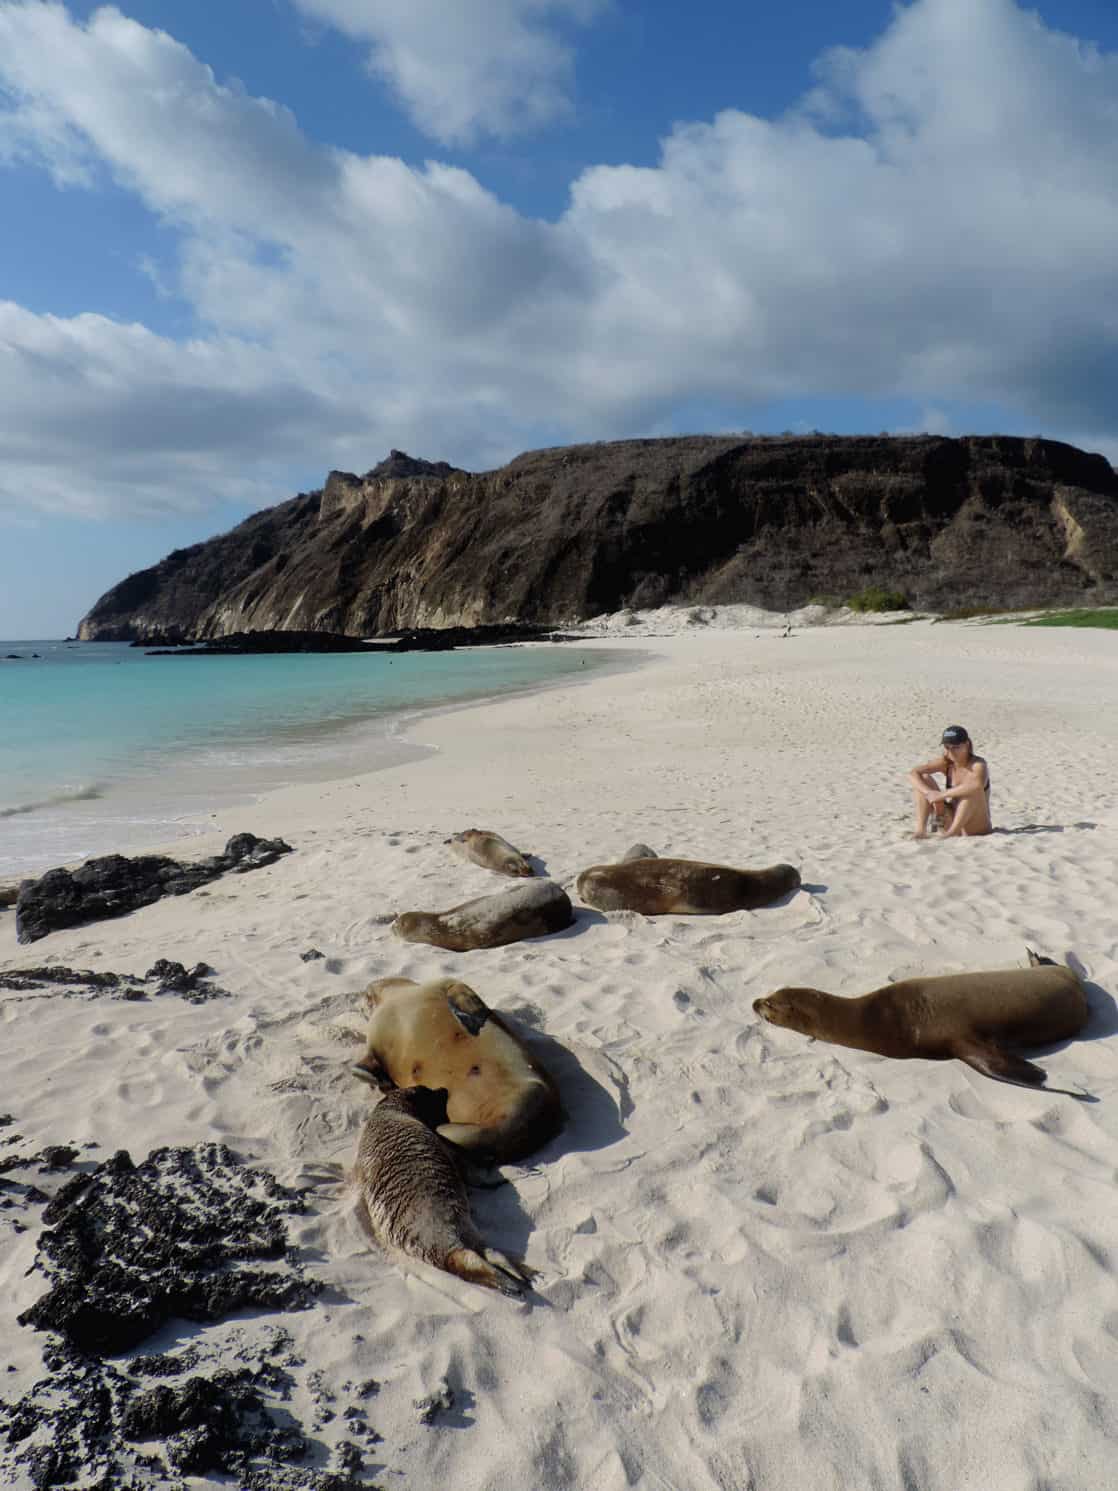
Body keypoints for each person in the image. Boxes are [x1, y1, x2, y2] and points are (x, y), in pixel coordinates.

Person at [909, 725, 992, 839]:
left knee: (970, 791)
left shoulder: (978, 764)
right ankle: (921, 830)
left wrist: (941, 795)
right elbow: (913, 773)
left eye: (956, 747)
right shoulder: (946, 762)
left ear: (967, 744)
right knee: (924, 778)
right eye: (947, 747)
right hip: (949, 820)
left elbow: (977, 785)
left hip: (976, 827)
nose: (951, 752)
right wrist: (929, 793)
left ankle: (951, 834)